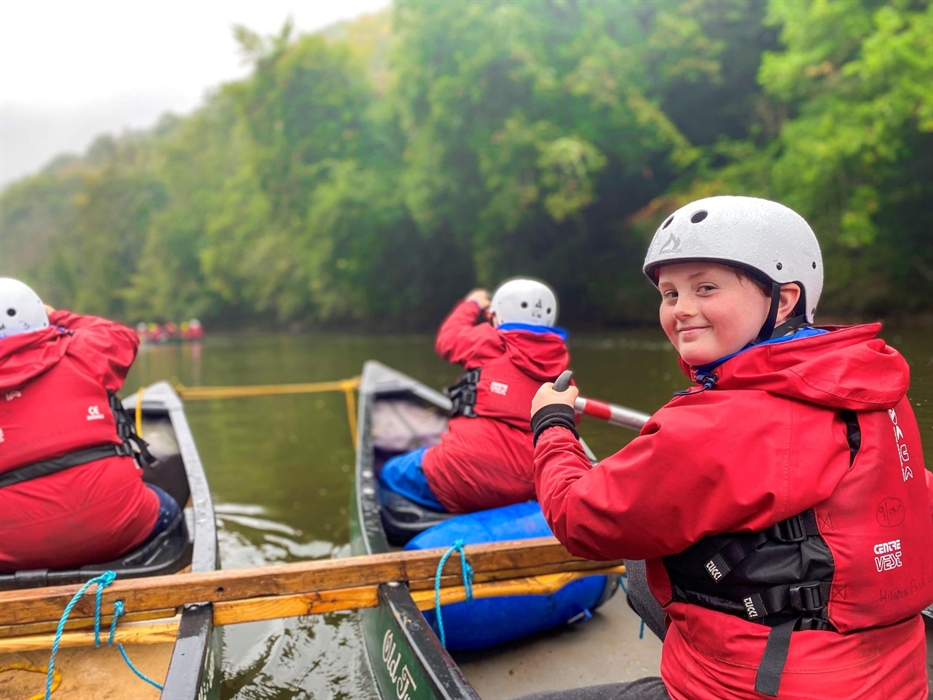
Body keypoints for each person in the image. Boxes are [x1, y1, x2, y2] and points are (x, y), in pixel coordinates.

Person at [524, 197, 933, 699]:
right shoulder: (873, 386)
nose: (682, 310)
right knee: (646, 566)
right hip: (891, 682)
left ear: (782, 300)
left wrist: (551, 425)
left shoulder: (717, 422)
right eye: (670, 293)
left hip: (753, 688)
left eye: (706, 287)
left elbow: (579, 518)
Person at [0, 278, 180, 572]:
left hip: (9, 555)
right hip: (119, 529)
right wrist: (56, 316)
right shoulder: (82, 351)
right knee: (169, 509)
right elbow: (119, 334)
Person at [379, 278, 571, 513]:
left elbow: (446, 340)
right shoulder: (561, 370)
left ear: (496, 314)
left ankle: (410, 521)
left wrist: (471, 303)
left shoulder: (487, 339)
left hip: (459, 476)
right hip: (525, 486)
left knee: (389, 472)